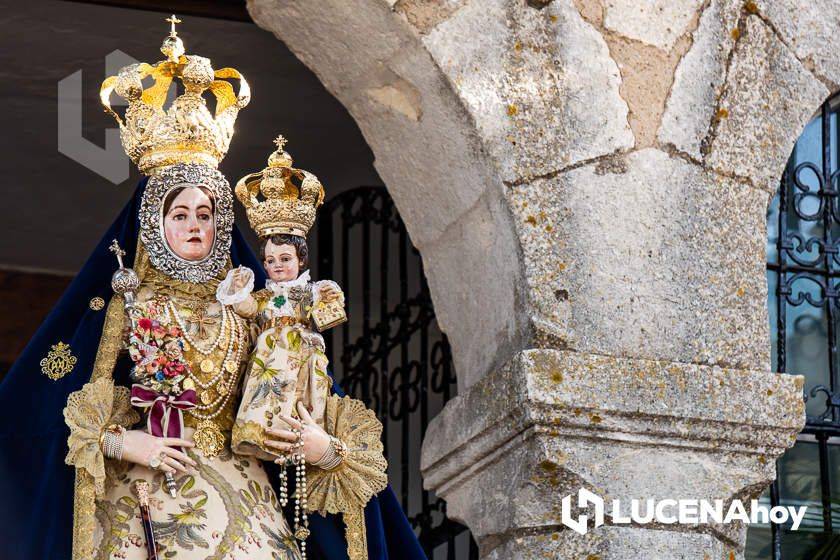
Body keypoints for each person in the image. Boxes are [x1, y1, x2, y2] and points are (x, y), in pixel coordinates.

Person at [0, 16, 426, 560]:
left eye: (206, 212)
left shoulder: (254, 310)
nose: (195, 225)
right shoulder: (124, 302)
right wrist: (125, 441)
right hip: (147, 499)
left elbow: (296, 406)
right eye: (180, 213)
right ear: (154, 221)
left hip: (249, 507)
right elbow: (39, 410)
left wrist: (324, 448)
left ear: (223, 222)